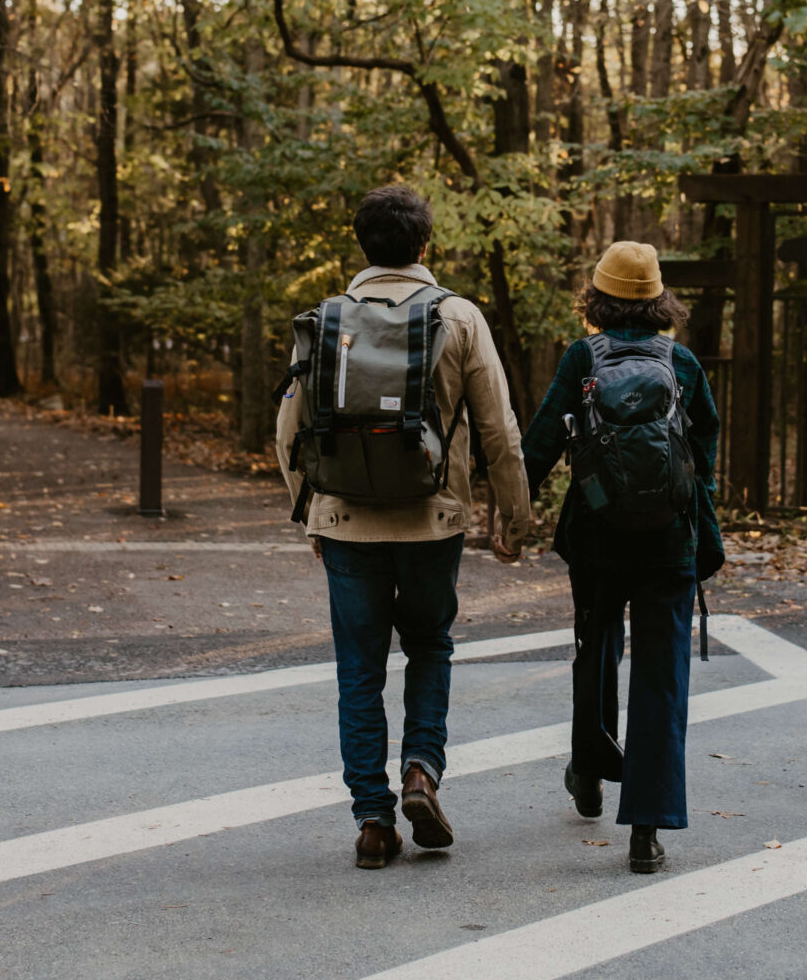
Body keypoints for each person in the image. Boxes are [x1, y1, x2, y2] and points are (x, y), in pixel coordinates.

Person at [277, 183, 534, 870]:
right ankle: (421, 768)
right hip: (433, 521)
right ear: (425, 246)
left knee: (358, 670)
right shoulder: (459, 316)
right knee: (429, 646)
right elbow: (499, 430)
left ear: (364, 245)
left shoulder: (328, 318)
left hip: (346, 523)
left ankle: (372, 820)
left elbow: (288, 428)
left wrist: (309, 509)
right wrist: (517, 514)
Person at [521, 242, 723, 873]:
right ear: (660, 301)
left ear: (597, 299)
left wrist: (511, 512)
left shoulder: (582, 358)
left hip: (597, 537)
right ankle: (646, 831)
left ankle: (589, 766)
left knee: (597, 648)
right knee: (662, 677)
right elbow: (706, 456)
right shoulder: (683, 363)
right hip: (669, 543)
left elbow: (543, 439)